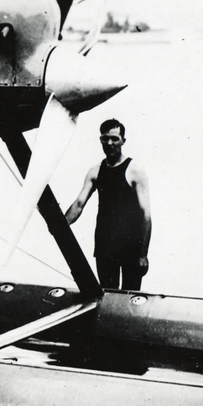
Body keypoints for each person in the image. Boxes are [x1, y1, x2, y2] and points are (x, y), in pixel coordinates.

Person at [64, 119, 152, 290]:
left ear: (123, 141)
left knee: (128, 300)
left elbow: (146, 215)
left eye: (114, 139)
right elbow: (79, 203)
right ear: (101, 140)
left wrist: (143, 255)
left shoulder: (135, 170)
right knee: (107, 296)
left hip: (131, 247)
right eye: (105, 139)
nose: (110, 143)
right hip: (106, 246)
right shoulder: (95, 171)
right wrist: (61, 224)